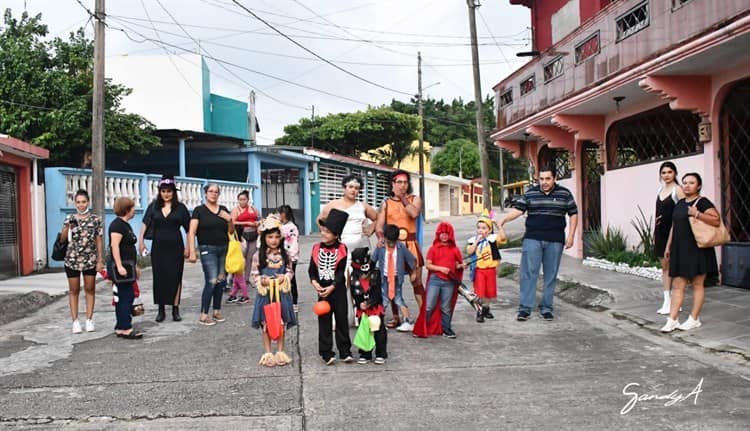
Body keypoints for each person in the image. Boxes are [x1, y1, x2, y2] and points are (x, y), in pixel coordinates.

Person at [498, 166, 578, 321]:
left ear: (554, 179)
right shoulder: (531, 193)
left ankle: (546, 308)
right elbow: (519, 210)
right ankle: (525, 308)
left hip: (555, 240)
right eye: (541, 179)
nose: (544, 182)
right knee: (528, 273)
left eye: (548, 179)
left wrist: (571, 236)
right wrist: (503, 220)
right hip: (532, 238)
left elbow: (573, 214)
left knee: (550, 275)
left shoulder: (565, 194)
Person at [661, 173, 720, 333]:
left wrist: (697, 213)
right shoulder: (680, 203)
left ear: (698, 186)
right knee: (677, 284)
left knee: (697, 284)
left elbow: (716, 220)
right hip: (680, 249)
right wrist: (668, 246)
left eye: (691, 183)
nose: (687, 185)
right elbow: (674, 226)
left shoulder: (702, 202)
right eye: (685, 182)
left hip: (698, 249)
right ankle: (672, 319)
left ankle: (694, 319)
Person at [320, 174, 378, 325]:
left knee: (359, 283)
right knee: (340, 282)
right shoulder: (333, 204)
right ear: (344, 187)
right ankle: (335, 318)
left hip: (361, 249)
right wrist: (329, 236)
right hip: (341, 248)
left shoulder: (363, 206)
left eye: (357, 188)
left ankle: (359, 314)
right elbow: (320, 220)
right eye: (351, 187)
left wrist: (370, 229)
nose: (354, 190)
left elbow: (378, 218)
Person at [375, 170, 424, 329]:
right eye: (399, 182)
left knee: (416, 281)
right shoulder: (386, 203)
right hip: (392, 246)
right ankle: (396, 317)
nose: (403, 185)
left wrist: (403, 197)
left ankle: (425, 316)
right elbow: (379, 225)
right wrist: (381, 238)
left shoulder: (414, 199)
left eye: (405, 182)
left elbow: (414, 213)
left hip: (410, 244)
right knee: (391, 281)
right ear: (393, 184)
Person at [139, 175, 190, 322]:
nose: (166, 194)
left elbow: (189, 230)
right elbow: (144, 223)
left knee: (175, 277)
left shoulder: (181, 208)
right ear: (159, 192)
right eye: (163, 191)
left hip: (176, 247)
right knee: (159, 277)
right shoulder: (153, 206)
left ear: (174, 192)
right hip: (158, 247)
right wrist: (141, 241)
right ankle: (161, 309)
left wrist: (188, 247)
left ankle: (175, 309)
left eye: (169, 191)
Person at [251, 215, 296, 367]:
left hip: (281, 295)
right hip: (265, 295)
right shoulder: (259, 255)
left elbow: (290, 271)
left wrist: (285, 278)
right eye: (270, 237)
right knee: (266, 323)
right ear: (264, 238)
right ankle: (268, 352)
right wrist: (261, 280)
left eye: (277, 237)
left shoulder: (285, 255)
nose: (274, 240)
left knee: (280, 323)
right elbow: (254, 274)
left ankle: (281, 352)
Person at [309, 209, 353, 365]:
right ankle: (326, 352)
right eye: (323, 230)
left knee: (341, 320)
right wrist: (315, 284)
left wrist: (333, 286)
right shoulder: (315, 248)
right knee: (324, 322)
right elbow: (312, 271)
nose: (323, 233)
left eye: (327, 232)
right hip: (322, 291)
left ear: (336, 235)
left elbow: (341, 272)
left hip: (338, 290)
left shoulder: (342, 248)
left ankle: (345, 351)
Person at [188, 183, 233, 326]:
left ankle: (217, 310)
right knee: (211, 280)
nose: (213, 194)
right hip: (207, 249)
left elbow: (231, 231)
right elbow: (192, 232)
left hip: (223, 248)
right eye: (211, 191)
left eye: (216, 192)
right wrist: (192, 251)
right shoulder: (199, 211)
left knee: (221, 281)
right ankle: (203, 314)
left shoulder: (224, 210)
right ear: (205, 193)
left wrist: (229, 219)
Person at [60, 189, 104, 334]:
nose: (81, 205)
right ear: (75, 203)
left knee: (90, 289)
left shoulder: (95, 220)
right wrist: (67, 228)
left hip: (89, 259)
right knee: (74, 290)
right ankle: (75, 321)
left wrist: (100, 259)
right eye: (78, 202)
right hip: (72, 259)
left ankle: (89, 319)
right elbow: (62, 240)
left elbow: (98, 240)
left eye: (83, 202)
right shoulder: (69, 218)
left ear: (88, 202)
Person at [417, 221, 464, 338]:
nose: (444, 236)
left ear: (450, 235)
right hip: (435, 280)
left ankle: (446, 329)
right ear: (438, 234)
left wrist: (462, 266)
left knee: (446, 307)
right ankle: (423, 327)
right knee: (429, 306)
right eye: (441, 233)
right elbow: (428, 265)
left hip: (449, 282)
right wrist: (441, 269)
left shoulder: (455, 250)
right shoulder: (433, 249)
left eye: (446, 233)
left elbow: (457, 266)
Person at [372, 224, 417, 332]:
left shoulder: (401, 247)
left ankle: (407, 321)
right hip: (384, 278)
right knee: (383, 299)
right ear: (385, 238)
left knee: (398, 298)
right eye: (389, 242)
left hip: (397, 278)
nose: (391, 244)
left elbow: (412, 260)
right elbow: (373, 260)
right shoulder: (381, 247)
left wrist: (413, 272)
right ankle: (378, 322)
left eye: (393, 242)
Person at [109, 197, 143, 339]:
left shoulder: (125, 225)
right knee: (125, 297)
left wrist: (135, 266)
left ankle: (121, 325)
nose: (134, 210)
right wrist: (119, 266)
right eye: (133, 207)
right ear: (127, 209)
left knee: (125, 296)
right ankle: (125, 327)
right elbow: (114, 246)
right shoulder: (117, 225)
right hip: (122, 267)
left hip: (128, 266)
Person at [653, 162, 685, 315]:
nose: (666, 175)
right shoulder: (660, 190)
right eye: (663, 172)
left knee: (675, 267)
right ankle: (667, 300)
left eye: (669, 172)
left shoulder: (677, 190)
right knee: (664, 267)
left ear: (675, 173)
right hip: (660, 233)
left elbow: (681, 213)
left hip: (674, 233)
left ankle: (676, 302)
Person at [349, 247, 387, 364]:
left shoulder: (376, 273)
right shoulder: (353, 277)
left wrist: (369, 303)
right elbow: (354, 293)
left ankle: (380, 353)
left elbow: (377, 293)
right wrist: (360, 303)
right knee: (364, 331)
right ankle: (365, 353)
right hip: (362, 309)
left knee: (378, 331)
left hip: (375, 308)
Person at [466, 211, 504, 323]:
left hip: (491, 270)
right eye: (479, 228)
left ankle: (486, 309)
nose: (481, 230)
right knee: (480, 293)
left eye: (483, 228)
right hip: (480, 271)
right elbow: (469, 251)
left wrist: (499, 225)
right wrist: (477, 241)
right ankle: (479, 311)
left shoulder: (492, 239)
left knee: (488, 292)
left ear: (489, 229)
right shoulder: (474, 240)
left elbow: (503, 237)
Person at [228, 190, 260, 305]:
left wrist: (257, 224)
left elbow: (259, 219)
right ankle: (235, 280)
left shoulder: (254, 209)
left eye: (244, 199)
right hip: (241, 235)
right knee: (239, 259)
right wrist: (247, 223)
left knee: (250, 258)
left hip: (254, 235)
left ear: (248, 200)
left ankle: (245, 280)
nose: (242, 201)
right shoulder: (235, 210)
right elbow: (233, 222)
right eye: (240, 199)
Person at [278, 205, 300, 312]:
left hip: (290, 257)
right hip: (280, 257)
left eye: (281, 213)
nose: (279, 215)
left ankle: (294, 302)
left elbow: (294, 244)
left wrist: (291, 257)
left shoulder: (292, 227)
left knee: (291, 280)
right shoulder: (279, 225)